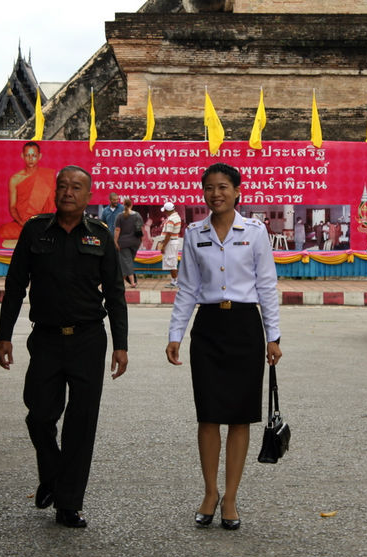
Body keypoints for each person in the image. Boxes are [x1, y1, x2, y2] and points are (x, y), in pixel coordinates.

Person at [0, 165, 128, 529]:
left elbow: (115, 293)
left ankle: (68, 503)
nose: (69, 192)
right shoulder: (36, 231)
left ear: (88, 197)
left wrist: (121, 345)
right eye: (63, 186)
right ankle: (52, 472)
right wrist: (4, 335)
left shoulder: (99, 235)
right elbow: (15, 285)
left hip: (88, 339)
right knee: (39, 414)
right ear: (55, 193)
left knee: (81, 425)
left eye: (77, 188)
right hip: (47, 338)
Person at [165, 163, 282, 531]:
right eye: (211, 188)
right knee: (209, 414)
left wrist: (273, 337)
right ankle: (210, 492)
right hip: (209, 329)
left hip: (246, 327)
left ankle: (231, 496)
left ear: (237, 192)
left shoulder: (255, 231)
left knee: (240, 415)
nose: (217, 193)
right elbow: (187, 287)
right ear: (204, 193)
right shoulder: (194, 233)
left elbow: (267, 286)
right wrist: (175, 334)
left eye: (224, 187)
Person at [0, 142, 55, 243]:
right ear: (22, 156)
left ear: (39, 156)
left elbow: (51, 205)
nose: (30, 159)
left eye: (34, 155)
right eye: (27, 155)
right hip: (22, 223)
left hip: (42, 222)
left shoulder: (48, 176)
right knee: (5, 230)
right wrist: (22, 223)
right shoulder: (15, 179)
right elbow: (12, 207)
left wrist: (40, 222)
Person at [114, 197, 143, 288]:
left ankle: (132, 282)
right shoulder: (137, 215)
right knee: (127, 262)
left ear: (123, 205)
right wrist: (140, 241)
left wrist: (115, 241)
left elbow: (117, 230)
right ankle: (121, 281)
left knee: (126, 262)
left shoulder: (120, 216)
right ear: (131, 205)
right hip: (135, 242)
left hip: (123, 243)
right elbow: (140, 230)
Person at [158, 201, 182, 288]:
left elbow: (168, 234)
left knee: (171, 262)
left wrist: (163, 246)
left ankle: (175, 281)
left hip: (170, 242)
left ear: (167, 211)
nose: (164, 212)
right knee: (173, 261)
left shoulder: (171, 219)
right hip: (173, 242)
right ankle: (174, 280)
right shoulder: (176, 217)